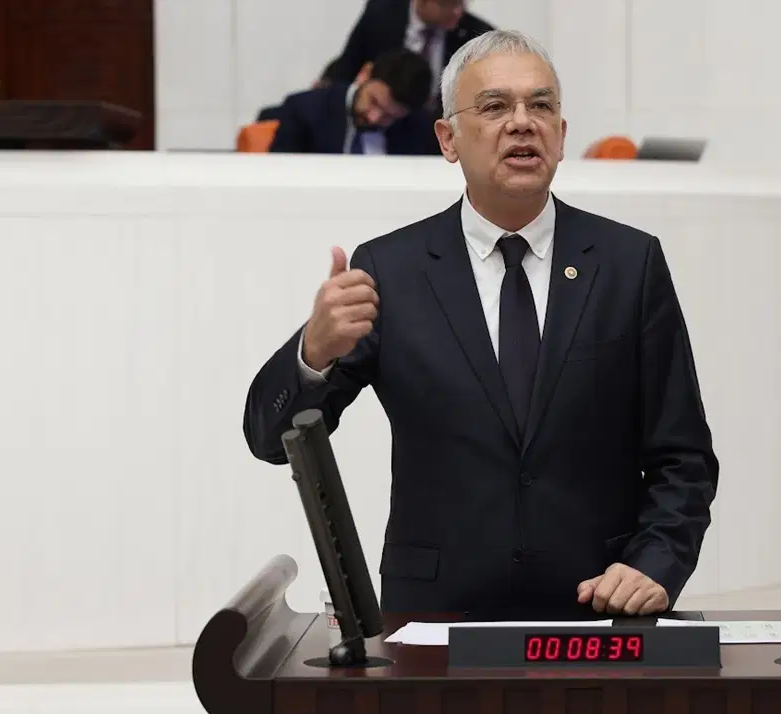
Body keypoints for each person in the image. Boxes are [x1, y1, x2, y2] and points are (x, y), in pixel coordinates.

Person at [243, 30, 718, 617]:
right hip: (436, 616)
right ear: (448, 139)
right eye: (494, 107)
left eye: (540, 105)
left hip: (597, 609)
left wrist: (655, 563)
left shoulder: (629, 263)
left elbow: (683, 458)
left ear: (561, 133)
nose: (522, 123)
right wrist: (313, 355)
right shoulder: (391, 270)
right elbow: (270, 441)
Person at [318, 0, 492, 115]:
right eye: (447, 4)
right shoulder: (382, 15)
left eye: (461, 3)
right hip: (386, 116)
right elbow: (349, 63)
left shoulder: (475, 33)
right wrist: (326, 96)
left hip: (438, 126)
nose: (457, 12)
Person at [269, 49, 439, 156]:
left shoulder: (420, 128)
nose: (373, 118)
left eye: (389, 116)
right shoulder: (304, 110)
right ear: (364, 74)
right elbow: (279, 174)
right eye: (373, 101)